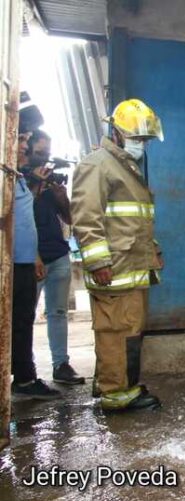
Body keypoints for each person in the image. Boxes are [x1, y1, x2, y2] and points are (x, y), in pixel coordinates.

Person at [70, 99, 164, 412]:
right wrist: (98, 262)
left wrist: (152, 254)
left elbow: (134, 221)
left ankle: (119, 383)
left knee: (127, 330)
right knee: (115, 332)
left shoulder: (124, 166)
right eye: (137, 139)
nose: (142, 145)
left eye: (145, 140)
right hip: (114, 268)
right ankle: (117, 394)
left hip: (131, 266)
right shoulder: (98, 164)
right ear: (117, 132)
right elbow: (86, 218)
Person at [23, 129, 85, 385]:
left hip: (58, 255)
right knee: (24, 317)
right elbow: (19, 217)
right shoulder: (19, 180)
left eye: (47, 153)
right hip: (30, 257)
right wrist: (35, 185)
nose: (44, 159)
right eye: (40, 153)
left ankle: (61, 365)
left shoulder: (49, 181)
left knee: (58, 312)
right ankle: (26, 372)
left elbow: (69, 219)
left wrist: (61, 197)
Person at [11, 130, 61, 400]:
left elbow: (22, 220)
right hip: (11, 265)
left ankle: (25, 378)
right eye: (20, 141)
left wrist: (34, 257)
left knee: (22, 321)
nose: (25, 147)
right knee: (16, 322)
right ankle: (24, 377)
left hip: (24, 262)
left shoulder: (18, 178)